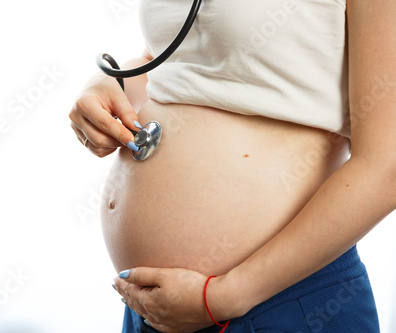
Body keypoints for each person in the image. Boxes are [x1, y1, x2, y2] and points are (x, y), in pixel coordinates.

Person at [69, 0, 395, 332]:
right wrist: (110, 86)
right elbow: (174, 65)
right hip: (157, 310)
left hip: (276, 304)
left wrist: (223, 297)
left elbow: (386, 166)